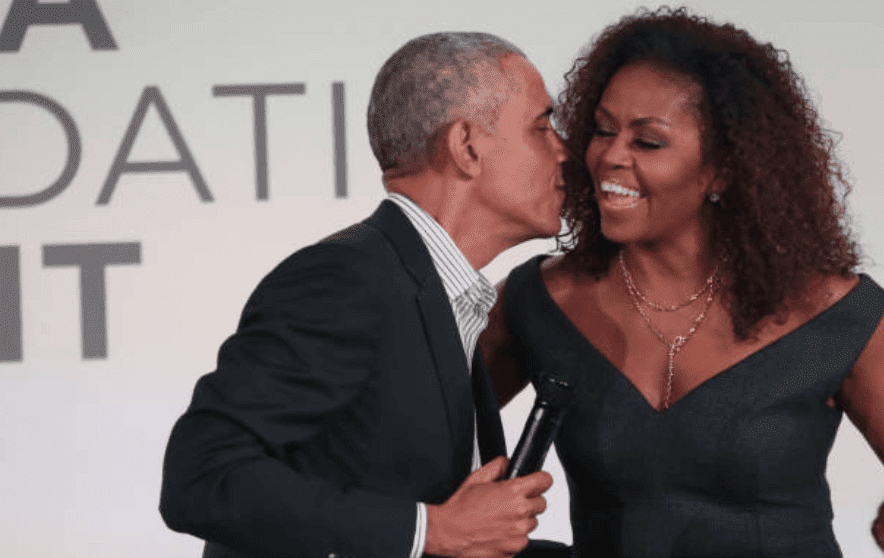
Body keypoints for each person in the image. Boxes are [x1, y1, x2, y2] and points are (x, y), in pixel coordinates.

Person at [480, 7, 884, 557]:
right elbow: (409, 445)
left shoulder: (837, 315)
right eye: (602, 131)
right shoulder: (541, 301)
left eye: (647, 142)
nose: (609, 158)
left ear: (722, 169)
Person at [160, 32, 569, 558]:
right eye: (542, 127)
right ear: (467, 146)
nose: (563, 151)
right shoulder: (344, 281)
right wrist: (433, 529)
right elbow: (201, 476)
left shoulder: (441, 294)